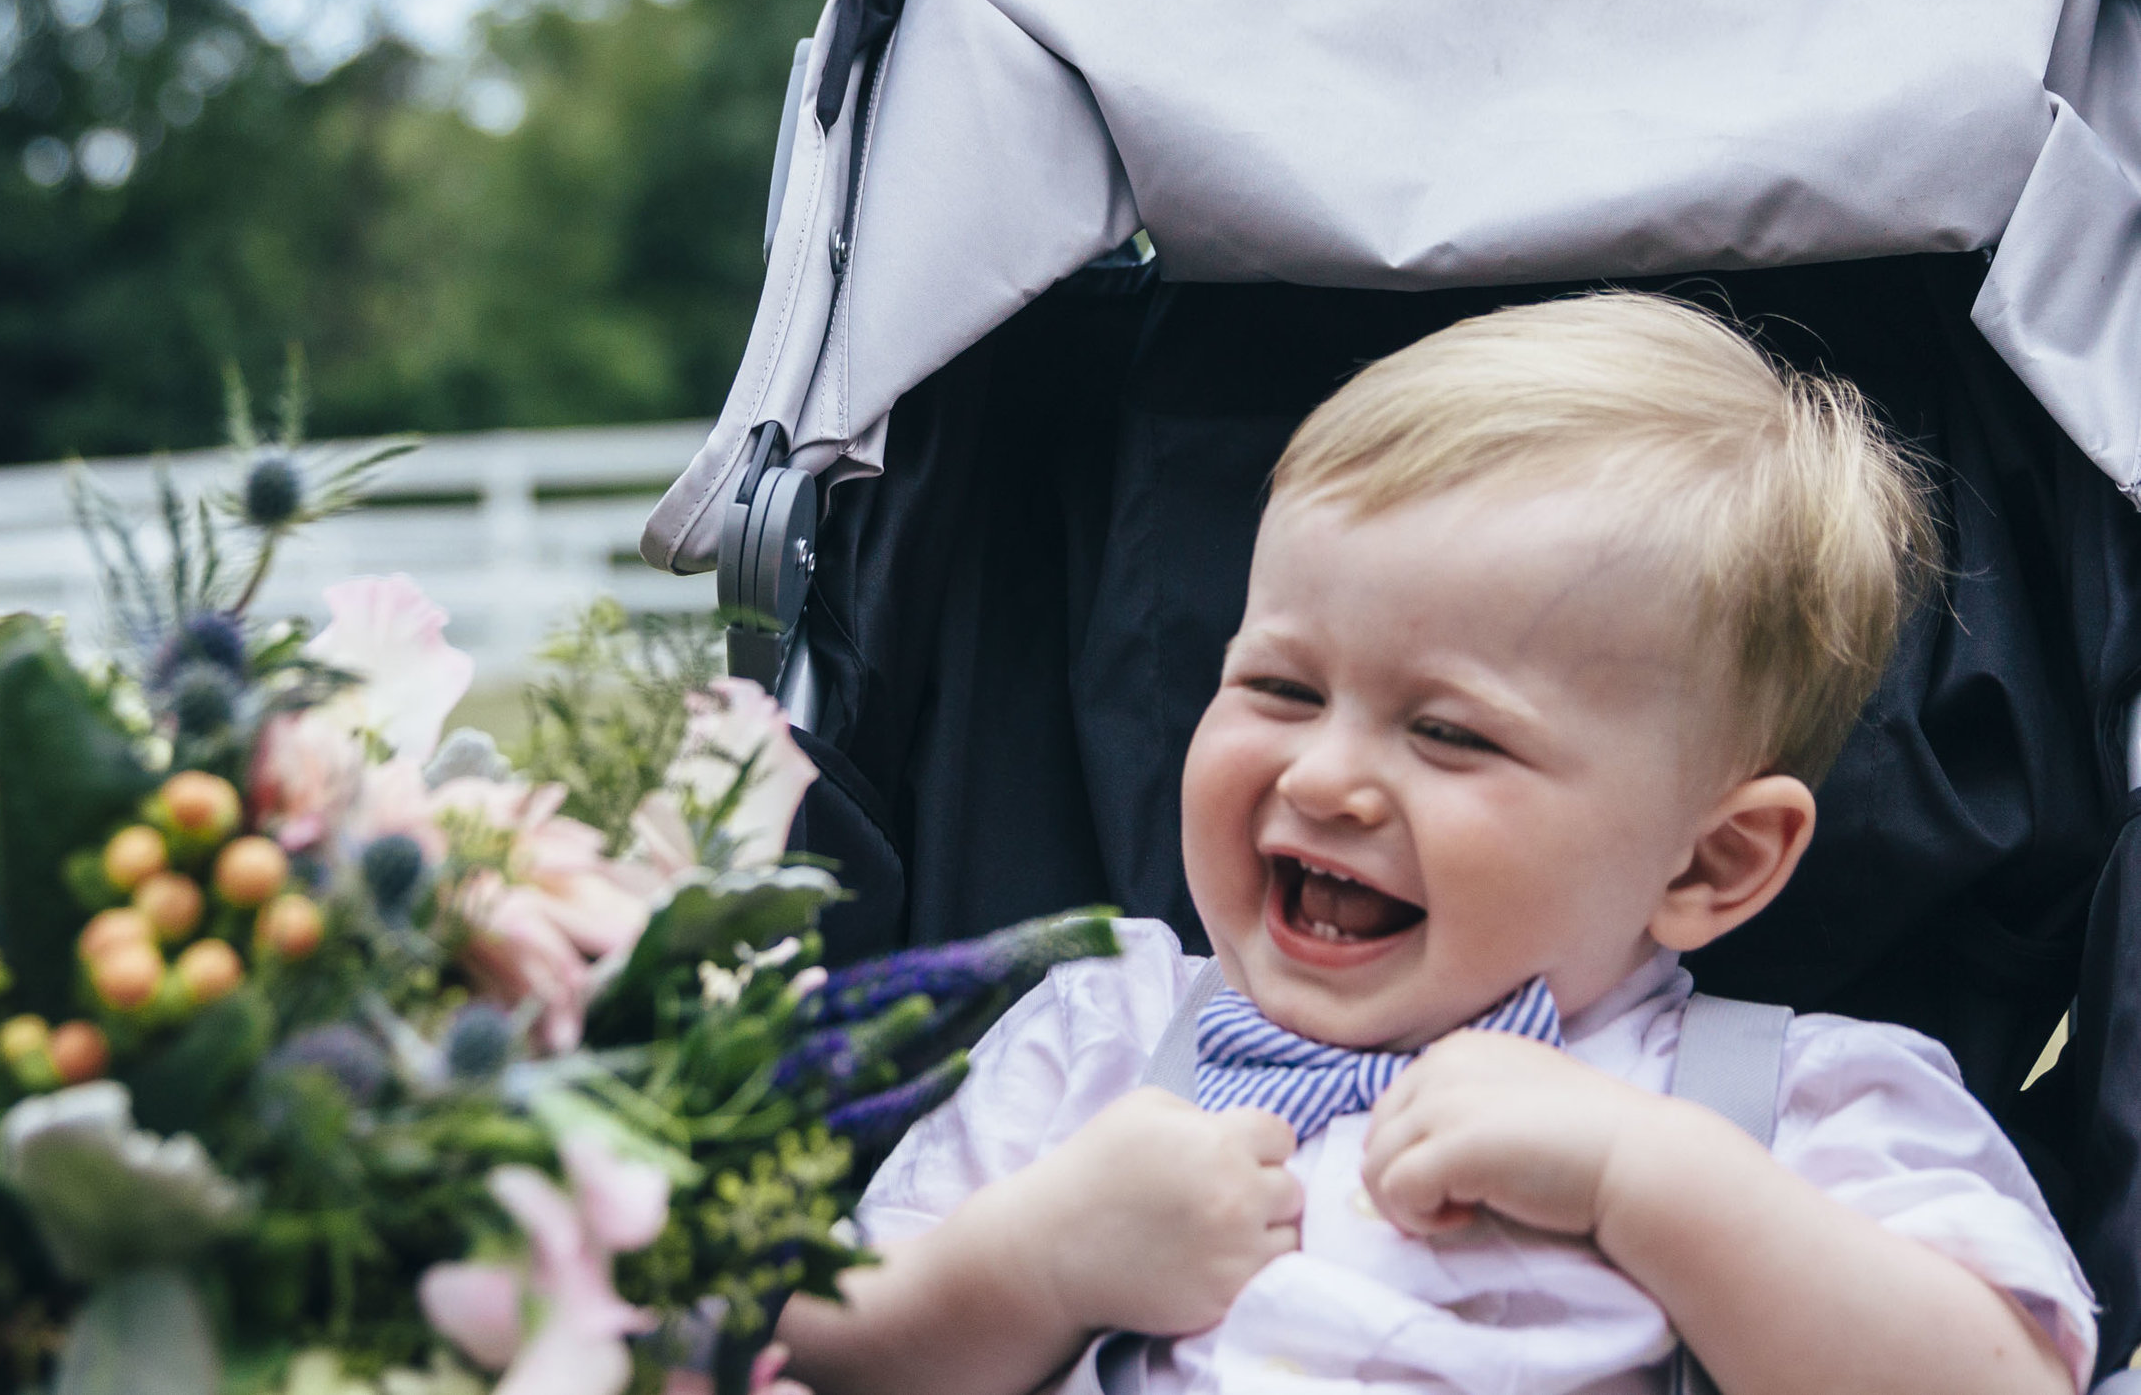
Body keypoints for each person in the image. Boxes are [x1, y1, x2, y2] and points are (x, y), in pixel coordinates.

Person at [774, 294, 2094, 1395]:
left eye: (1452, 734)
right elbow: (821, 1350)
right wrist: (1042, 1259)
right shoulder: (1096, 1043)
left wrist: (1658, 1184)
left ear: (1712, 862)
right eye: (1282, 689)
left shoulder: (1791, 1108)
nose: (1328, 773)